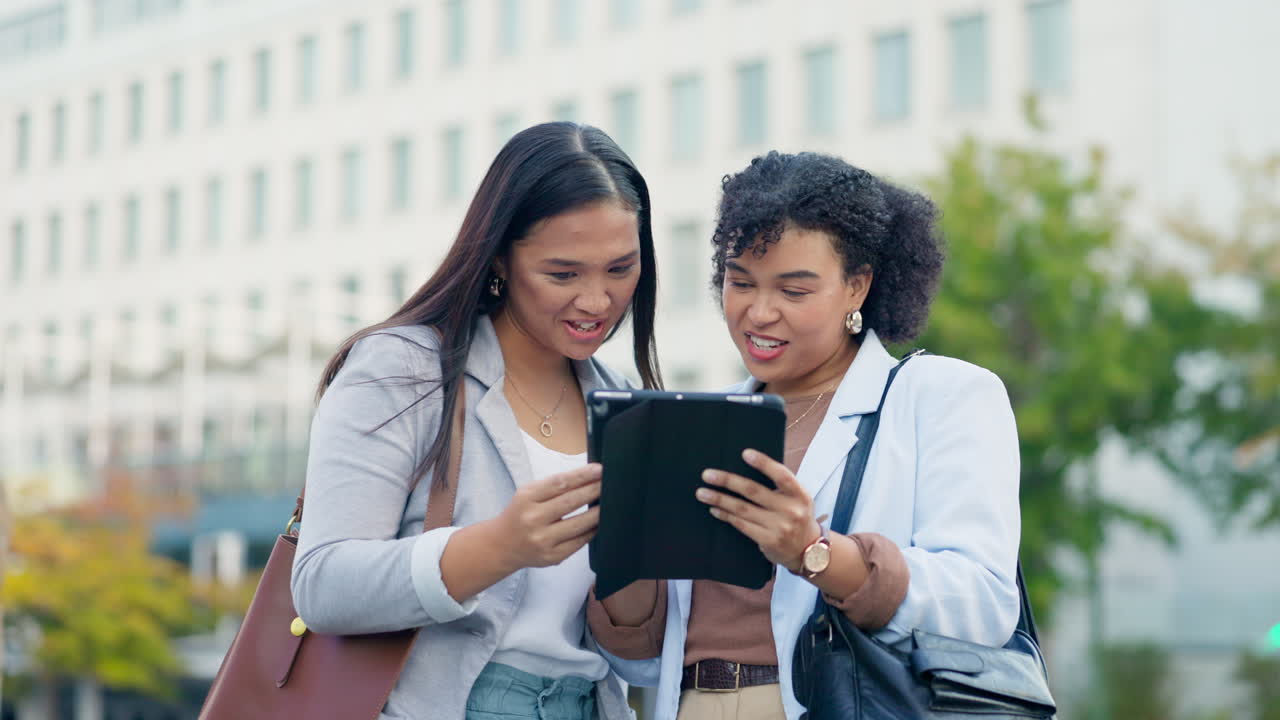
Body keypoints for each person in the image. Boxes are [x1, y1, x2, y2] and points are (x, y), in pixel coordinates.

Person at [588, 151, 1022, 720]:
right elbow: (643, 661)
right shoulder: (698, 422)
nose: (759, 312)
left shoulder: (940, 395)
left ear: (857, 288)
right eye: (741, 282)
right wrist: (624, 544)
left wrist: (813, 553)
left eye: (794, 291)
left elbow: (984, 603)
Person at [292, 122, 662, 720]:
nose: (597, 301)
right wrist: (499, 546)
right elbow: (323, 585)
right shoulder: (405, 369)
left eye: (620, 269)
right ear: (499, 258)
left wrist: (650, 563)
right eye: (563, 274)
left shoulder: (624, 404)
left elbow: (637, 657)